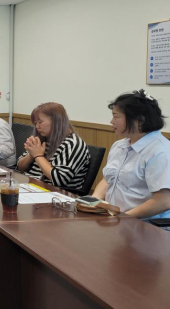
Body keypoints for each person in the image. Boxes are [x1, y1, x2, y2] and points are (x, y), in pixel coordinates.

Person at [92, 90, 170, 220]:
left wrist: (123, 218)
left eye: (116, 116)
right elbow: (108, 179)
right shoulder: (119, 145)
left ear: (139, 120)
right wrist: (94, 200)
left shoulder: (160, 151)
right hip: (114, 217)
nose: (111, 121)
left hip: (144, 224)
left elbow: (164, 200)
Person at [16, 102, 90, 190]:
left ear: (56, 121)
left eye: (40, 122)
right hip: (30, 186)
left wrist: (38, 156)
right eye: (35, 123)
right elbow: (19, 167)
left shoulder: (73, 144)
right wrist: (31, 155)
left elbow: (59, 179)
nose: (37, 127)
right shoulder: (44, 138)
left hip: (55, 192)